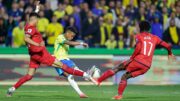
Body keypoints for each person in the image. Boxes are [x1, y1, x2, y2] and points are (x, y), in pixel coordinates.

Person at [7, 1, 96, 97]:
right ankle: (86, 75)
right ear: (34, 19)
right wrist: (38, 44)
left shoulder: (28, 25)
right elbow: (26, 38)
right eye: (37, 19)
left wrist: (37, 8)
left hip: (33, 55)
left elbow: (33, 16)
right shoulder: (31, 28)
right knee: (64, 67)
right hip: (41, 54)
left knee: (29, 76)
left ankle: (12, 89)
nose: (38, 21)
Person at [95, 21, 176, 100]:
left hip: (138, 60)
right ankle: (119, 96)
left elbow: (138, 48)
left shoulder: (138, 36)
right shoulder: (155, 38)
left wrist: (131, 58)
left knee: (117, 68)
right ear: (148, 29)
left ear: (140, 28)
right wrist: (169, 53)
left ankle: (98, 81)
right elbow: (168, 46)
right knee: (125, 76)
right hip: (147, 66)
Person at [54, 26, 89, 98]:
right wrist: (81, 43)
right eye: (72, 35)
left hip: (63, 60)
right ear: (68, 32)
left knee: (70, 76)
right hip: (58, 61)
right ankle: (86, 76)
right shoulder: (60, 37)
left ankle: (81, 93)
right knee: (70, 75)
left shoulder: (66, 40)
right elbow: (69, 43)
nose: (72, 37)